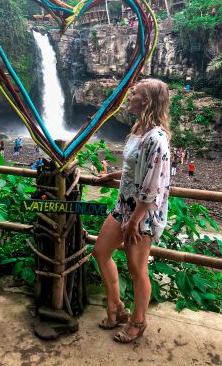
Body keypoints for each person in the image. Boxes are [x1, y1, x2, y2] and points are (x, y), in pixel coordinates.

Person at [92, 79, 170, 343]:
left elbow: (151, 187)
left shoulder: (156, 138)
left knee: (137, 269)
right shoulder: (138, 130)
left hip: (142, 215)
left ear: (145, 101)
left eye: (134, 94)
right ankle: (116, 307)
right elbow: (134, 169)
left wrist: (134, 221)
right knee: (100, 252)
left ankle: (138, 322)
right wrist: (112, 175)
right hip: (124, 205)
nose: (129, 97)